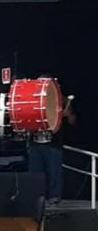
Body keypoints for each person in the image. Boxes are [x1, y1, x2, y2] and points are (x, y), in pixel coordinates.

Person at [27, 76, 76, 205]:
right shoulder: (32, 100)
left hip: (53, 143)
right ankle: (37, 198)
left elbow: (72, 121)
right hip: (35, 142)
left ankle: (54, 197)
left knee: (54, 172)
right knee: (36, 173)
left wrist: (67, 114)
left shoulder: (60, 100)